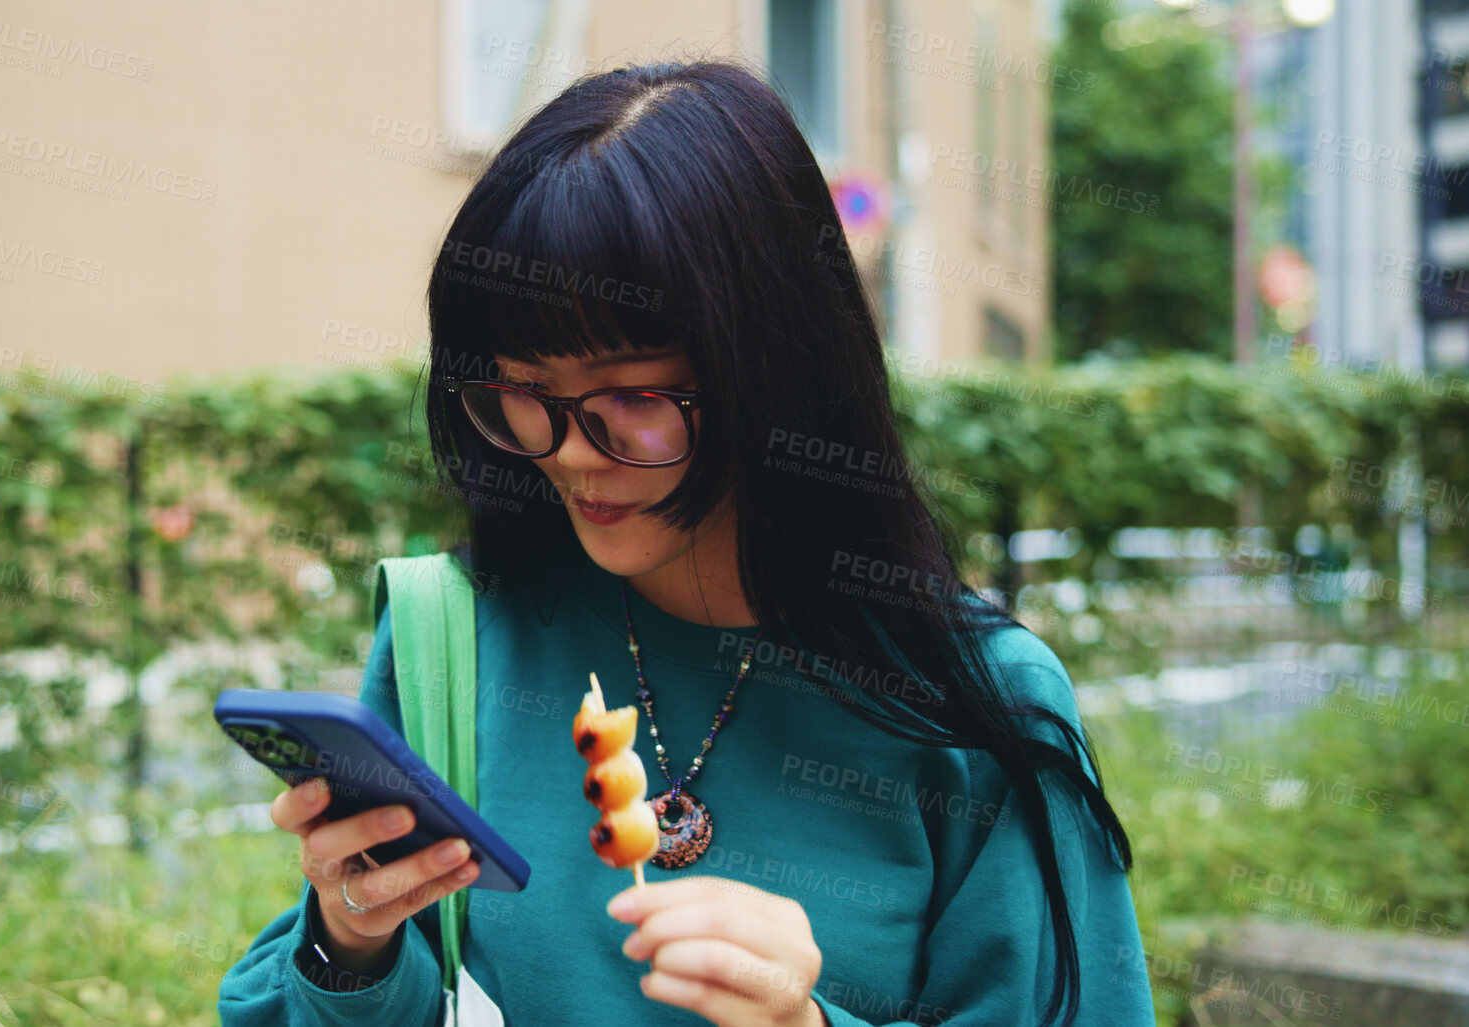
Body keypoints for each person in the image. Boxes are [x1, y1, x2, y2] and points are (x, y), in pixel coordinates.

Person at [218, 58, 1153, 1026]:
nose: (574, 455)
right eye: (522, 393)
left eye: (634, 399)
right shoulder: (452, 639)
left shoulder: (977, 705)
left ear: (776, 374)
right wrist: (348, 943)